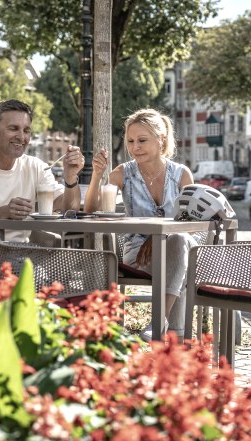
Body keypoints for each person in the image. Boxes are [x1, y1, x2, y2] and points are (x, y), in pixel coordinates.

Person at [84, 108, 197, 340]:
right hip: (138, 255)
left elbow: (191, 221)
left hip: (175, 249)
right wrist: (97, 175)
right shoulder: (123, 173)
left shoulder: (182, 175)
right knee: (183, 260)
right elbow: (91, 210)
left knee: (180, 241)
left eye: (142, 140)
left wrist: (159, 240)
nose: (135, 147)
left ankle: (159, 324)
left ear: (161, 139)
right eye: (131, 141)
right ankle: (175, 337)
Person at [0, 99, 85, 242]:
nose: (21, 137)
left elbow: (68, 209)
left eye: (26, 130)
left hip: (22, 256)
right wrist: (3, 212)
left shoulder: (37, 167)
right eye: (13, 128)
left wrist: (70, 178)